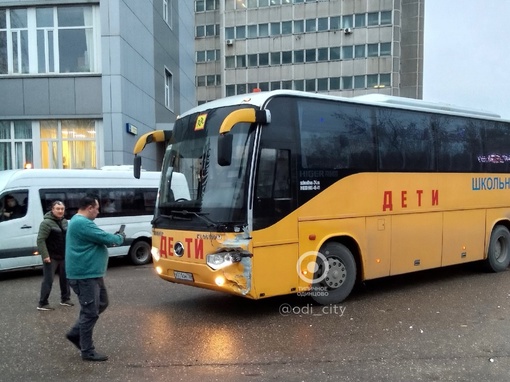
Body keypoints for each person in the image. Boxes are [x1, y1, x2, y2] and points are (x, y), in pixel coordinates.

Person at [65, 196, 125, 362]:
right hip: (85, 276)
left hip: (92, 273)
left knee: (102, 303)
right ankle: (87, 350)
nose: (98, 212)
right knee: (90, 312)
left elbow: (97, 237)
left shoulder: (79, 222)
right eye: (97, 209)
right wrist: (119, 237)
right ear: (90, 207)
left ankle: (76, 333)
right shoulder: (81, 223)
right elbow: (105, 238)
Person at [36, 200, 73, 311]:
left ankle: (65, 299)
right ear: (52, 210)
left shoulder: (65, 222)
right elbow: (40, 240)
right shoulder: (46, 223)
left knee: (65, 278)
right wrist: (45, 255)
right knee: (48, 280)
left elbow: (68, 238)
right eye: (58, 209)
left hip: (63, 255)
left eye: (62, 209)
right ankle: (43, 303)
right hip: (51, 257)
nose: (60, 211)